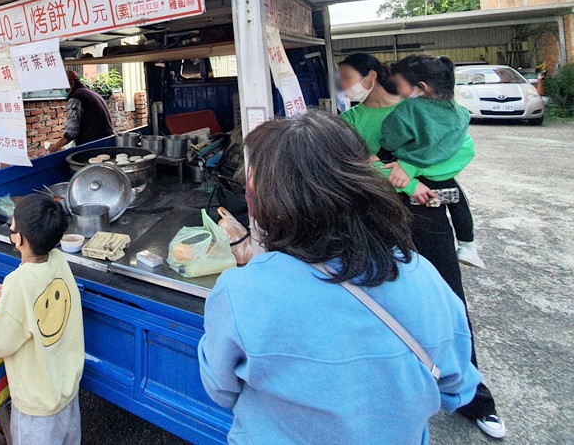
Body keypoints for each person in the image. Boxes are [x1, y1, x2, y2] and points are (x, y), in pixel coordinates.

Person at [198, 110, 479, 445]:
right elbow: (456, 388)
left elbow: (220, 389)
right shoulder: (422, 277)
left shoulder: (240, 291)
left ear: (261, 199)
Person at [338, 53, 505, 439]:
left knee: (448, 298)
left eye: (348, 77)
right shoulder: (352, 121)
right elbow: (358, 167)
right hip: (375, 214)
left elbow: (460, 152)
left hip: (426, 214)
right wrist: (411, 181)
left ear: (372, 76)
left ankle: (475, 398)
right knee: (374, 301)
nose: (344, 86)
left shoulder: (428, 108)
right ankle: (386, 393)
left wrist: (417, 177)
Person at [0, 193, 84, 445]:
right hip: (66, 392)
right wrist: (15, 298)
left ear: (19, 240)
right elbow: (46, 300)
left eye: (12, 229)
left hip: (37, 408)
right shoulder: (59, 260)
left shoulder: (19, 281)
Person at [383, 55, 484, 268]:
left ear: (421, 87)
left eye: (399, 84)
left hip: (411, 178)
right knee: (459, 202)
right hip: (444, 176)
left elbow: (390, 140)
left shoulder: (407, 110)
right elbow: (462, 146)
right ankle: (467, 245)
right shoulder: (459, 112)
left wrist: (406, 162)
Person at [50, 69, 114, 152]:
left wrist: (55, 146)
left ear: (72, 83)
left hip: (93, 146)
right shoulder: (91, 92)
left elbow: (71, 132)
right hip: (107, 141)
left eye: (61, 88)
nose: (60, 91)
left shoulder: (76, 97)